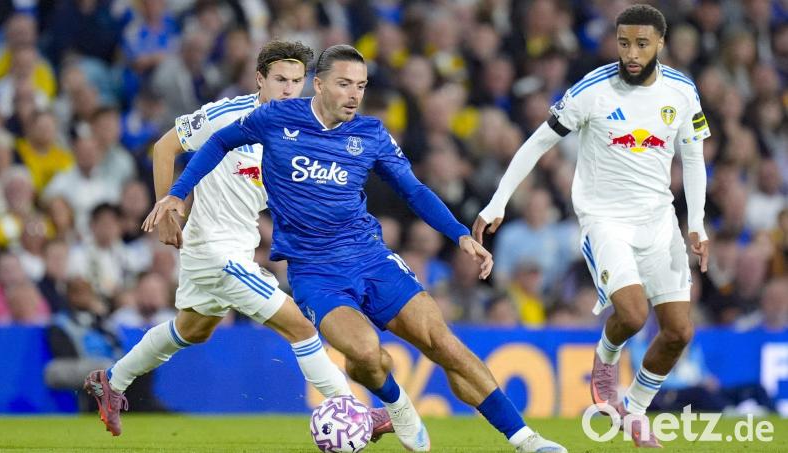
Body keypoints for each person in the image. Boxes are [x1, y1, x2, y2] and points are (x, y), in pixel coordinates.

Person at [147, 44, 567, 453]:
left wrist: (459, 234)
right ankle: (397, 403)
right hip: (316, 274)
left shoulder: (370, 134)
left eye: (361, 86)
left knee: (443, 343)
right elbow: (219, 142)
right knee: (367, 354)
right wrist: (177, 195)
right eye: (345, 84)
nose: (354, 95)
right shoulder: (276, 117)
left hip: (370, 258)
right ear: (320, 84)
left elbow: (413, 190)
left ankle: (526, 440)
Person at [84, 41, 391, 440]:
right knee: (301, 325)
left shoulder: (301, 129)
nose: (288, 89)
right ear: (260, 79)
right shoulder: (226, 115)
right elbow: (164, 147)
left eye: (297, 81)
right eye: (280, 79)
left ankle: (111, 380)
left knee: (193, 329)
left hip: (235, 245)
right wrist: (168, 208)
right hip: (215, 251)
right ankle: (354, 411)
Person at [473, 5, 710, 448]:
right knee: (634, 314)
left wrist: (696, 223)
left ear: (661, 42)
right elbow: (539, 140)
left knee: (679, 331)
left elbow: (693, 156)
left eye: (642, 44)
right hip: (605, 220)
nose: (632, 53)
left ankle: (635, 410)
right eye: (624, 43)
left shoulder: (682, 90)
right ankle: (605, 361)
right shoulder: (593, 89)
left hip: (659, 220)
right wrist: (497, 202)